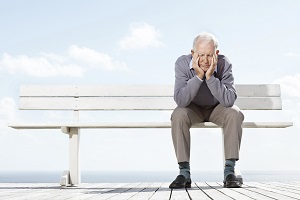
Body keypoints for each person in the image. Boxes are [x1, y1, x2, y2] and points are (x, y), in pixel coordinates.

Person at [169, 32, 244, 189]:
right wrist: (197, 77)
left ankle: (230, 172)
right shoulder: (182, 64)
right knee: (178, 114)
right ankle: (184, 173)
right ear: (193, 53)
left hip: (217, 108)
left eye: (209, 55)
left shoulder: (224, 64)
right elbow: (181, 101)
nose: (204, 60)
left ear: (216, 53)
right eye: (201, 55)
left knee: (234, 113)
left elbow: (229, 100)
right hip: (193, 108)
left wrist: (210, 78)